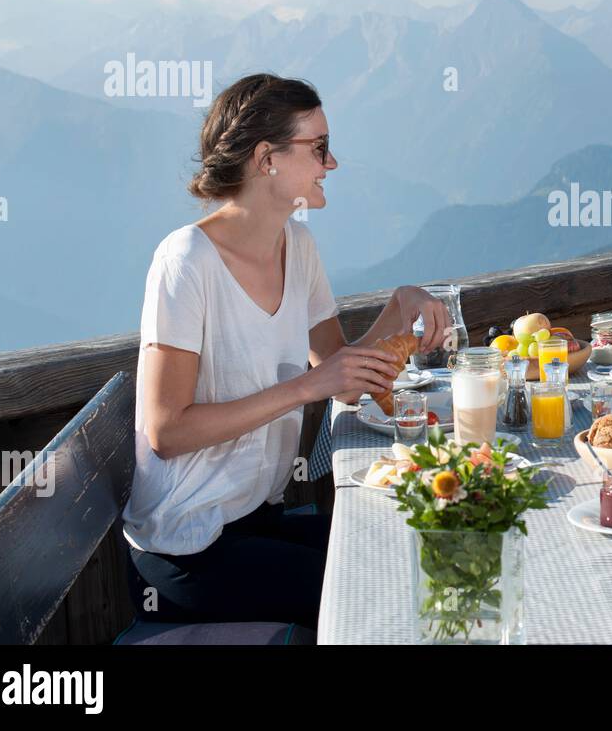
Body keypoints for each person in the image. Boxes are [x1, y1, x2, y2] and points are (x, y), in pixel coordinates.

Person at [122, 73, 451, 629]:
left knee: (420, 544)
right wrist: (303, 387)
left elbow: (342, 377)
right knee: (387, 591)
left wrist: (399, 307)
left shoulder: (297, 247)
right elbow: (167, 431)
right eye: (319, 148)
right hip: (188, 549)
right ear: (266, 158)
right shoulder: (185, 262)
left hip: (257, 520)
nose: (332, 163)